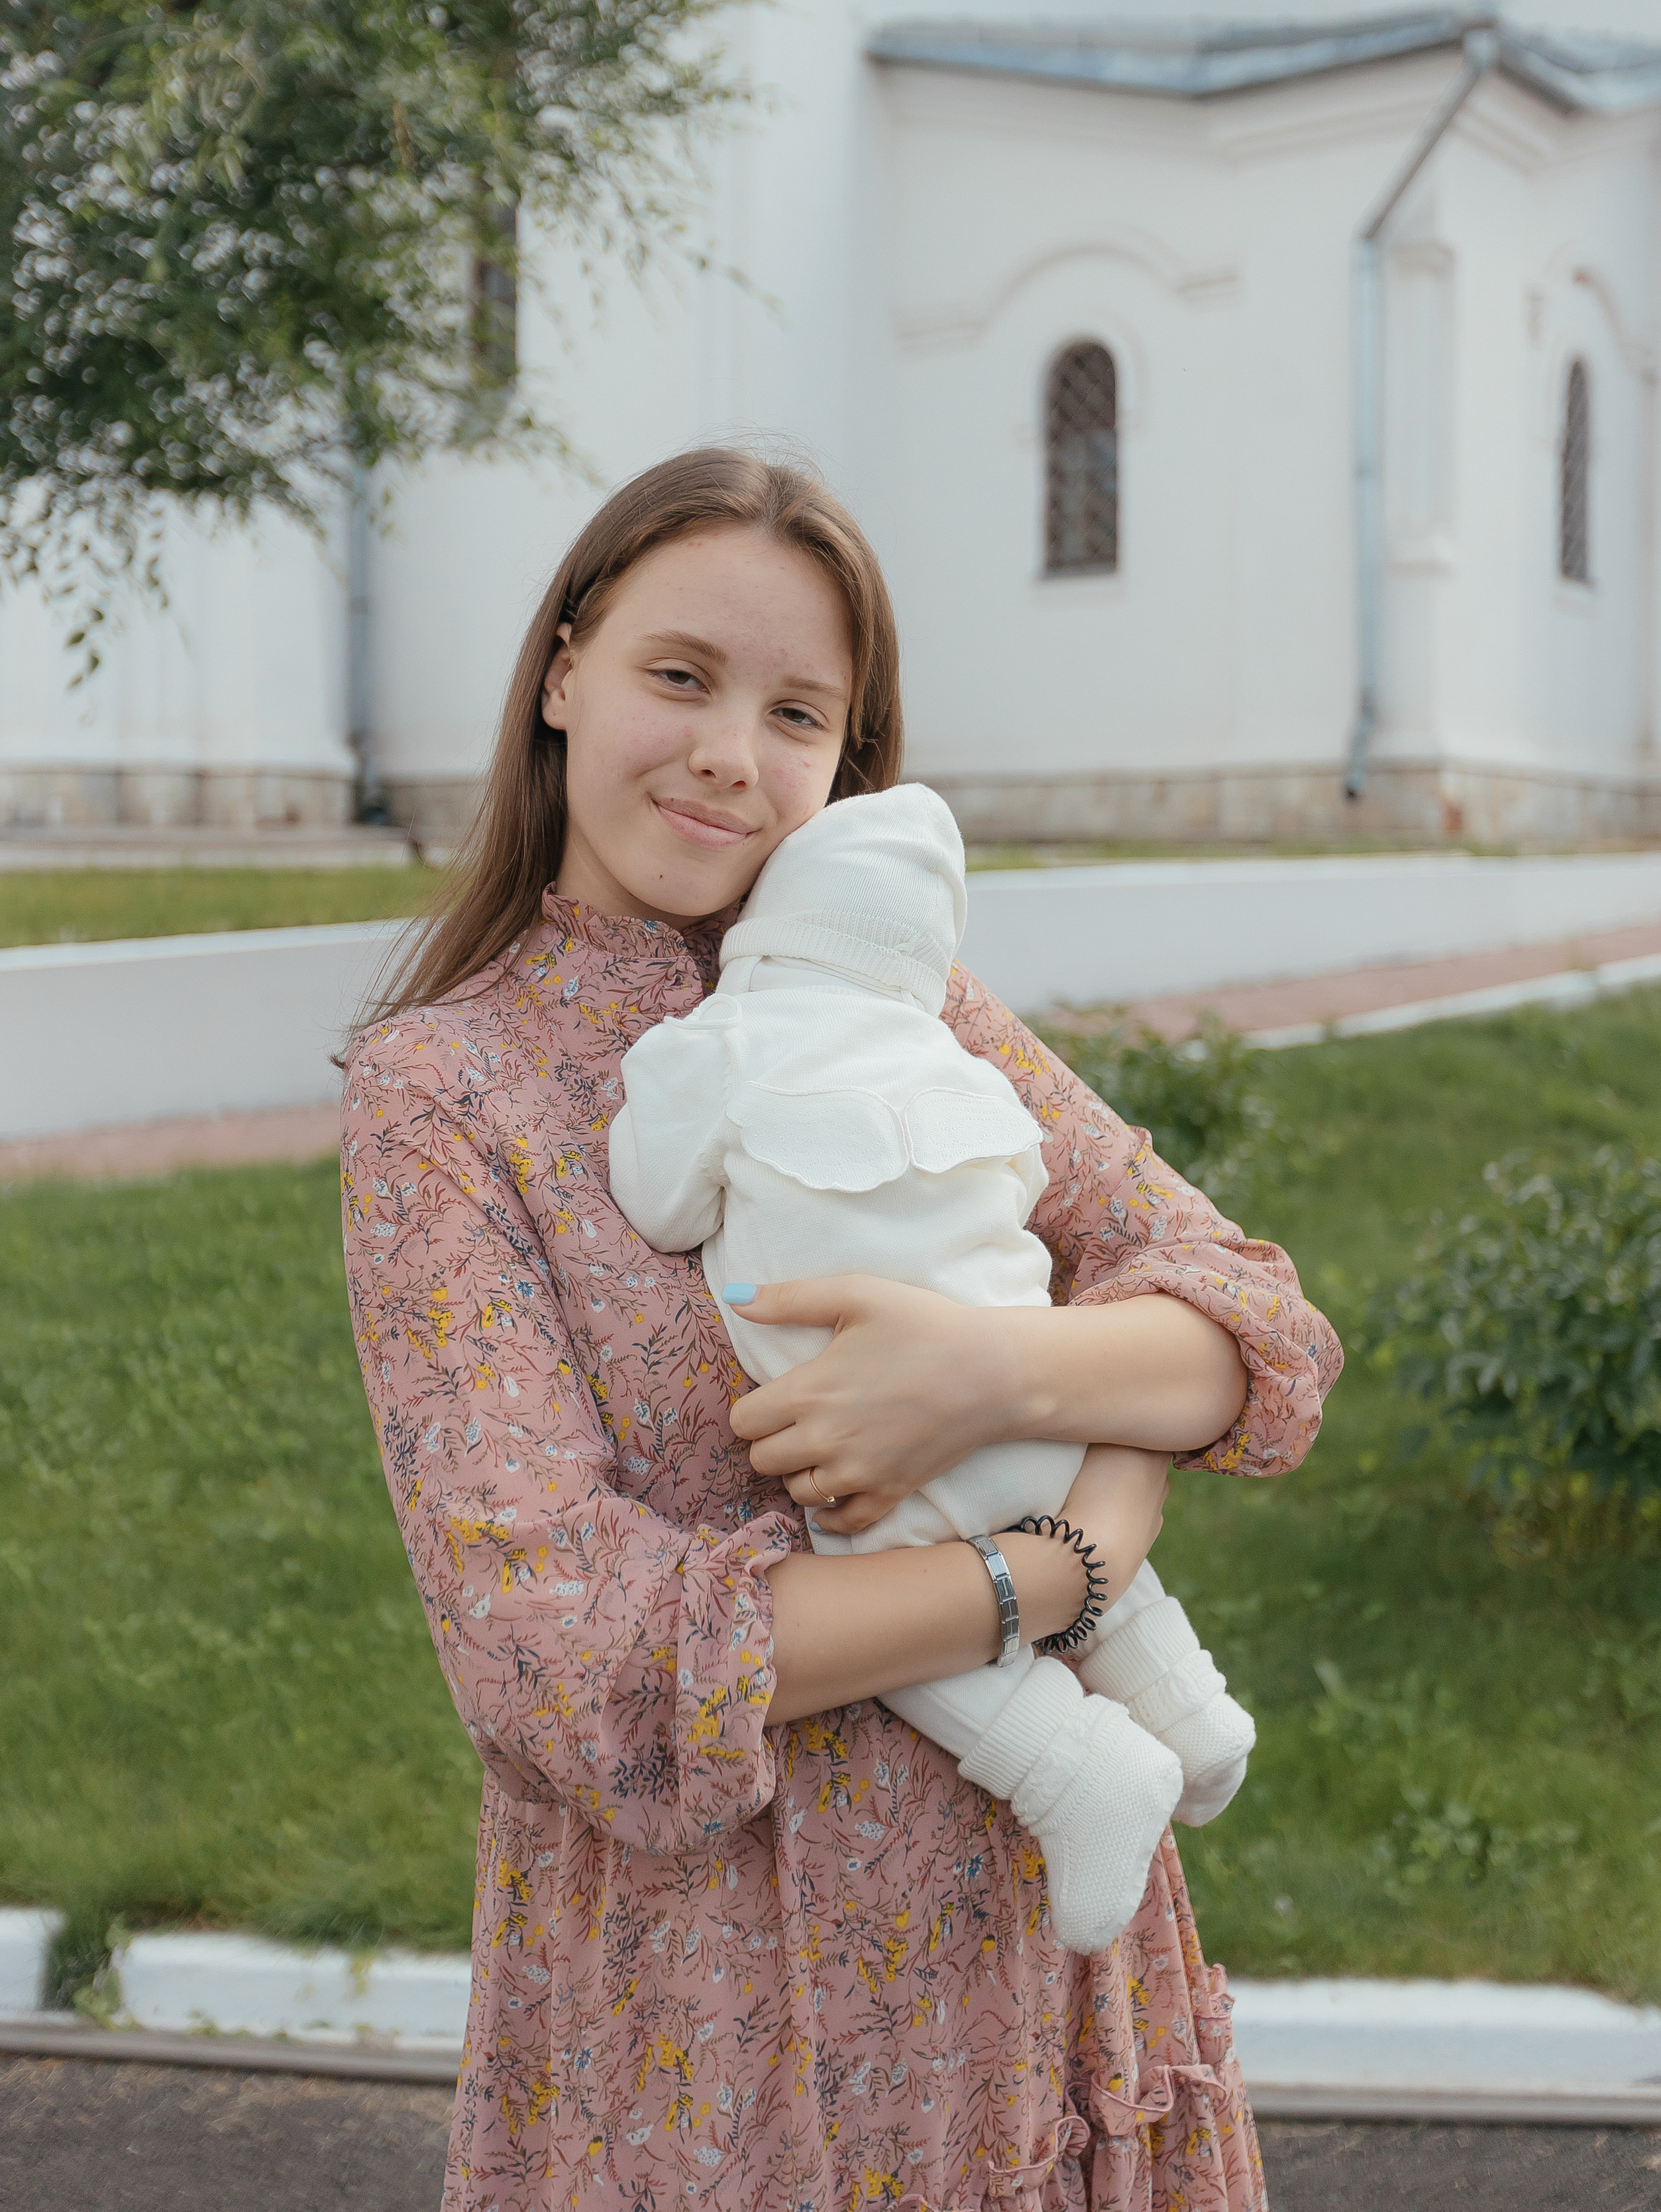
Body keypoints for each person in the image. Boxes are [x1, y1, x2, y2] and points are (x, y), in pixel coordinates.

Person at [341, 447, 1343, 2212]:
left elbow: (1243, 1319)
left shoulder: (905, 994)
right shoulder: (451, 1096)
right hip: (716, 2026)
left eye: (800, 712)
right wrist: (1055, 1578)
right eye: (680, 676)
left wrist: (994, 1380)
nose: (735, 749)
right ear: (564, 669)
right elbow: (561, 1650)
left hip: (1042, 1967)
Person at [605, 778, 1256, 1957]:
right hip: (1052, 1424)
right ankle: (1192, 1712)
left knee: (866, 1552)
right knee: (1041, 1496)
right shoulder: (960, 1059)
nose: (735, 758)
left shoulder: (727, 1040)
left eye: (800, 715)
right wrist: (1089, 1534)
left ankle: (1077, 1770)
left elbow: (655, 1197)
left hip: (887, 1466)